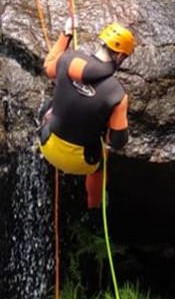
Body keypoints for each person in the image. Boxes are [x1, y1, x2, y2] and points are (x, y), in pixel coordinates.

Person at [37, 17, 135, 208]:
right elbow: (117, 142)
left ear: (102, 43)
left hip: (47, 144)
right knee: (101, 163)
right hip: (83, 163)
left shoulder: (68, 59)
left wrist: (66, 34)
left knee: (48, 105)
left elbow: (48, 68)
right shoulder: (117, 94)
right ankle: (93, 205)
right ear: (120, 56)